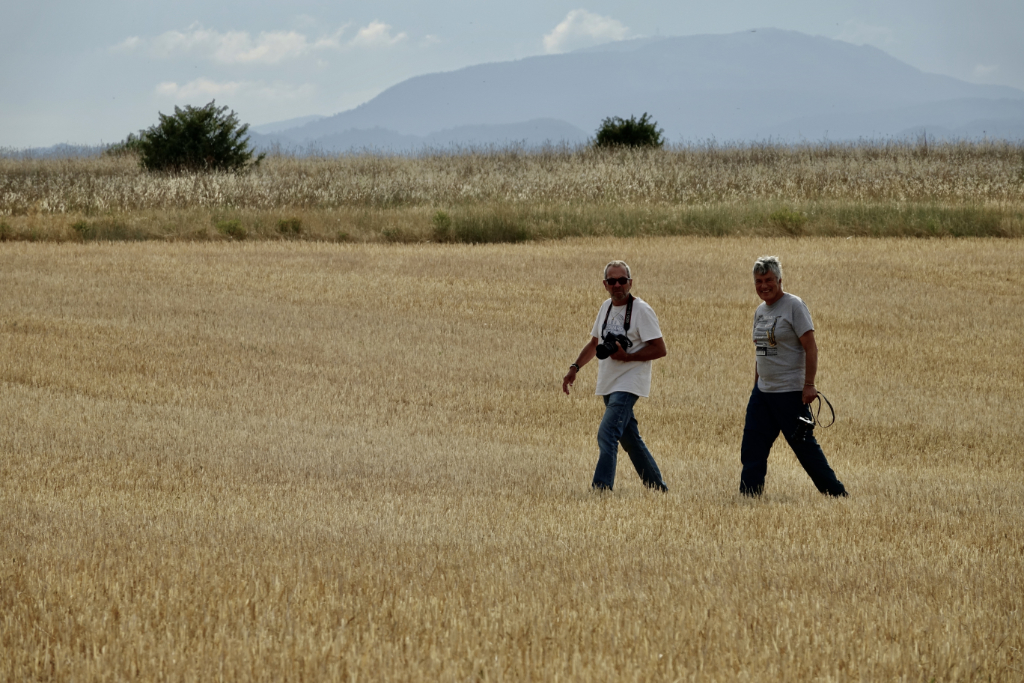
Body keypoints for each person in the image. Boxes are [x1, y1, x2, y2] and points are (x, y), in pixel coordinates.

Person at [740, 255, 847, 497]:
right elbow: (760, 352)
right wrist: (756, 385)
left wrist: (809, 385)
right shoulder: (760, 311)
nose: (763, 286)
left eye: (768, 280)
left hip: (790, 393)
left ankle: (836, 495)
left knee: (805, 449)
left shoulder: (794, 306)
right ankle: (749, 497)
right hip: (763, 393)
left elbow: (811, 347)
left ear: (779, 280)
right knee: (752, 448)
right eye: (759, 281)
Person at [562, 260, 669, 492]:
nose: (617, 285)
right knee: (630, 439)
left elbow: (660, 349)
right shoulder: (605, 308)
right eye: (612, 281)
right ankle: (658, 488)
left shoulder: (642, 310)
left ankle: (601, 489)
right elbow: (594, 343)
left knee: (607, 432)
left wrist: (627, 357)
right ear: (605, 285)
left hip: (630, 382)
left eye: (622, 280)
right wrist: (574, 368)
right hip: (608, 383)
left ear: (630, 282)